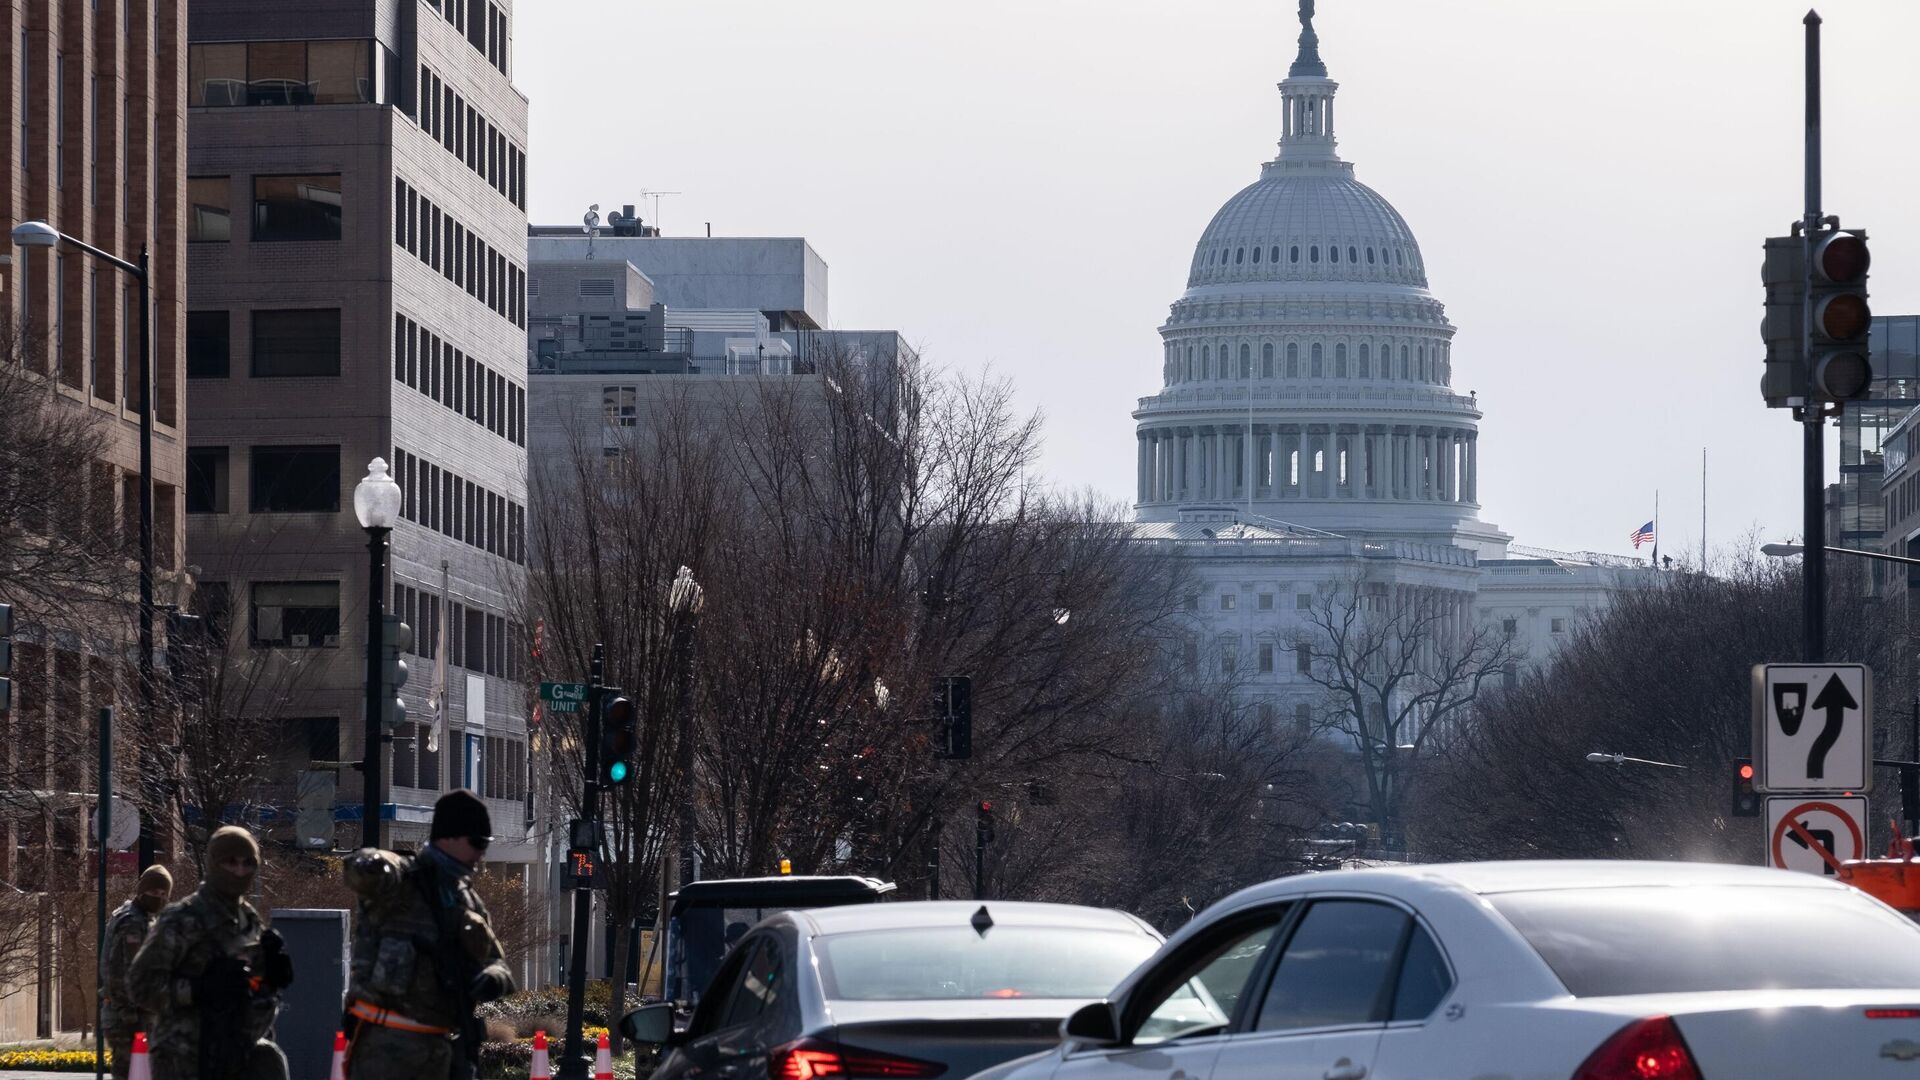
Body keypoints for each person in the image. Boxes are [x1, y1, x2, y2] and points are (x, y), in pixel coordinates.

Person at [343, 789, 514, 1080]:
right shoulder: (401, 882)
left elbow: (497, 962)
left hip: (442, 1049)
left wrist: (492, 978)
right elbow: (359, 871)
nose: (481, 852)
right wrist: (376, 861)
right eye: (477, 842)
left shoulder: (468, 901)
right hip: (385, 1048)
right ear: (447, 837)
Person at [128, 827, 293, 1080]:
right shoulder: (182, 918)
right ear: (213, 864)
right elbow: (140, 986)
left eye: (248, 863)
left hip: (238, 1050)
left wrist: (270, 979)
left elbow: (249, 990)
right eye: (230, 862)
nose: (239, 871)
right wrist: (198, 989)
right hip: (186, 1058)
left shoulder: (249, 921)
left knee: (271, 1060)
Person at [102, 866, 174, 1079]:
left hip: (134, 1014)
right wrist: (129, 1011)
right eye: (154, 892)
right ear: (142, 891)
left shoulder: (140, 917)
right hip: (128, 1017)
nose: (159, 898)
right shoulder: (133, 922)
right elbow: (120, 971)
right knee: (130, 1072)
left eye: (163, 894)